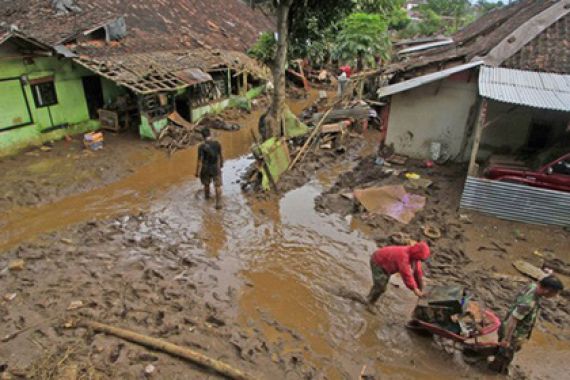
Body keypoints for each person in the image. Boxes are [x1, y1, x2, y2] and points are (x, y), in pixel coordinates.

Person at [489, 275, 564, 373]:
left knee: (502, 351)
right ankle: (495, 371)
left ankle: (495, 358)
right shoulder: (528, 303)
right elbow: (513, 320)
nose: (555, 296)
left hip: (509, 327)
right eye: (555, 293)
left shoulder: (532, 286)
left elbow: (541, 279)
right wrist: (506, 340)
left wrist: (548, 274)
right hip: (512, 334)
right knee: (504, 356)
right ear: (547, 290)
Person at [195, 127, 223, 209]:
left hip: (205, 168)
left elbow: (199, 160)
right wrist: (221, 164)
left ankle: (207, 200)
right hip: (215, 167)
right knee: (217, 186)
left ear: (202, 136)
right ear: (210, 134)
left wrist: (197, 172)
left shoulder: (201, 146)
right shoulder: (217, 143)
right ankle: (218, 203)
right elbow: (220, 156)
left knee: (206, 185)